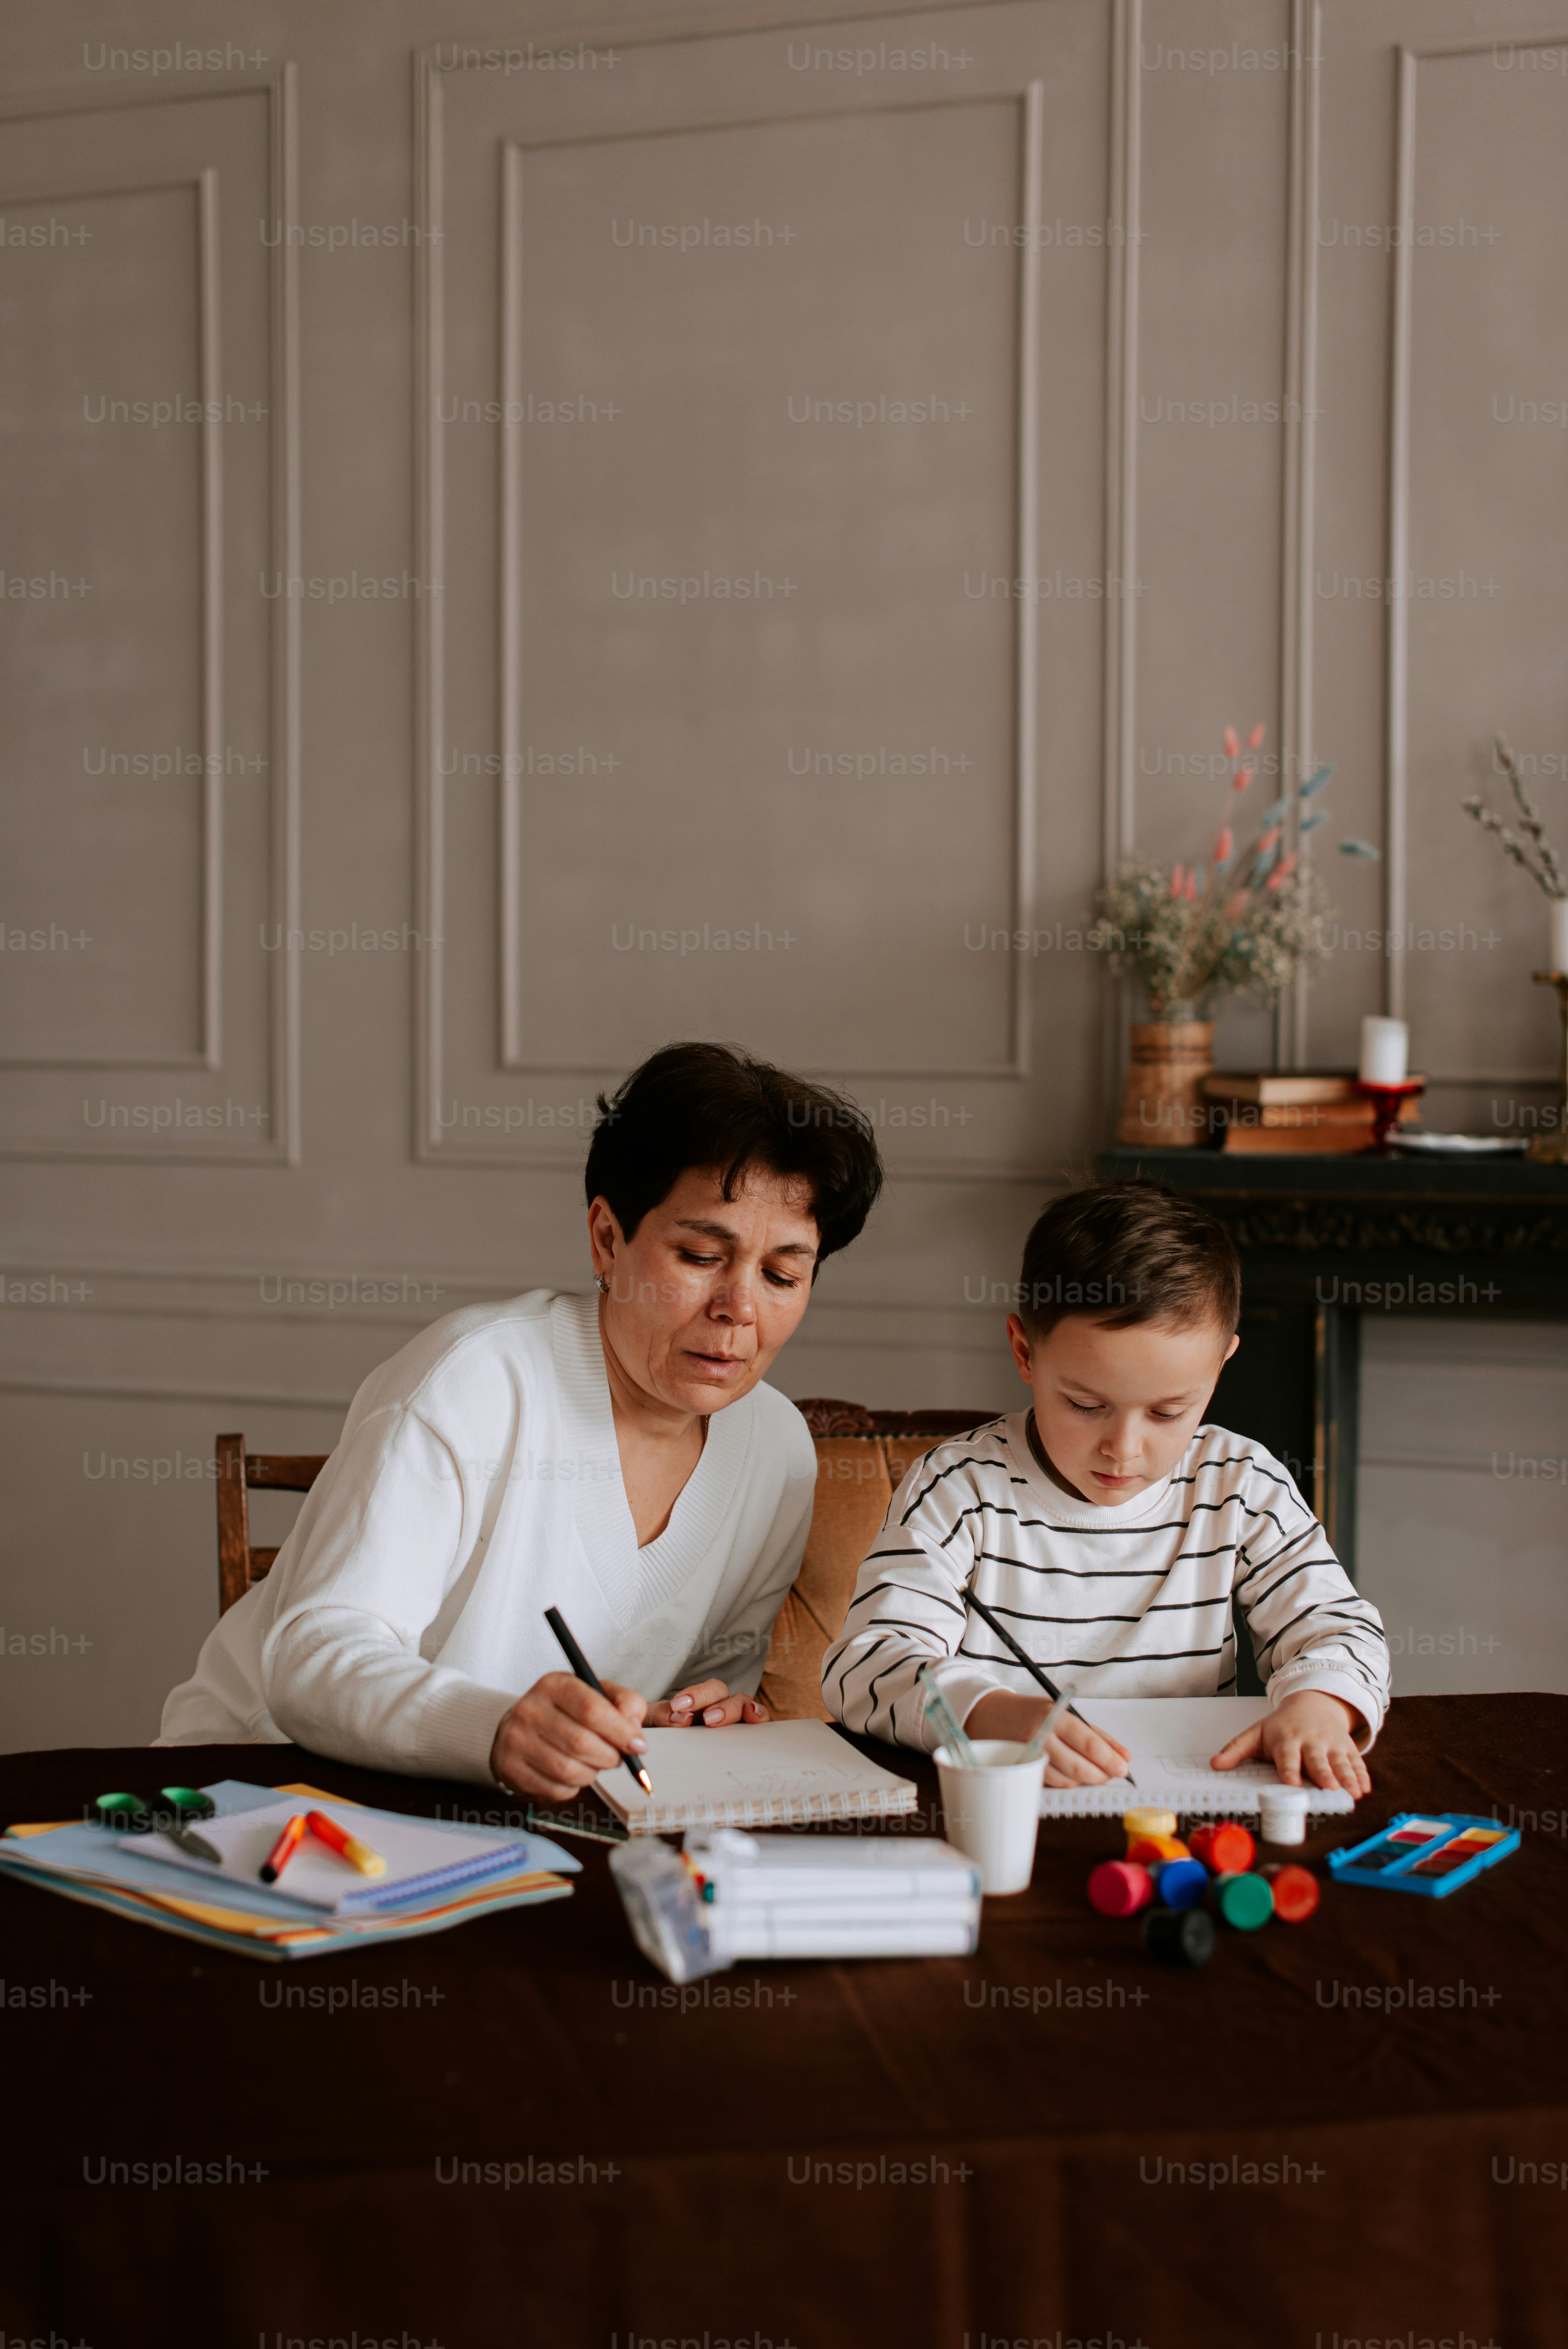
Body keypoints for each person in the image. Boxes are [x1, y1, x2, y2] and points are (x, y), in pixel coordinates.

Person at [160, 1042, 883, 1795]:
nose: (739, 1309)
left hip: (514, 1825)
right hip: (257, 1796)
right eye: (702, 1255)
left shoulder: (775, 1451)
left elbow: (697, 1691)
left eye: (781, 1276)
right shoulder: (474, 1379)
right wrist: (495, 1729)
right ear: (608, 1238)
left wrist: (691, 1721)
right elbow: (314, 1657)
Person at [822, 1180, 1388, 1794]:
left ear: (1221, 1365)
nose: (1124, 1448)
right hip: (1005, 1804)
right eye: (1086, 1404)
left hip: (1182, 1807)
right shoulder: (961, 1489)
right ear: (1024, 1352)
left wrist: (1321, 1705)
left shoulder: (1239, 1484)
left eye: (1169, 1413)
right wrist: (990, 1713)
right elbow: (866, 1667)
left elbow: (1338, 1627)